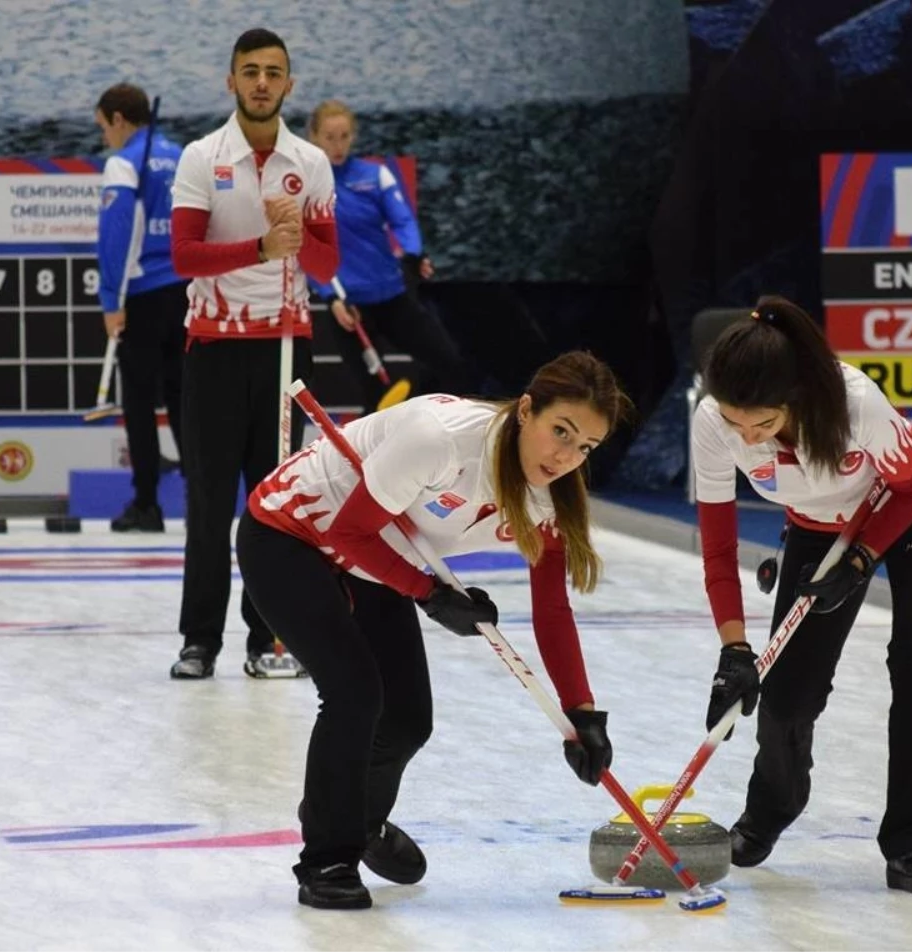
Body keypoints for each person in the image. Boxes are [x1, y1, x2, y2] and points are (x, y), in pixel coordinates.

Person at [236, 351, 633, 909]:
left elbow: (552, 612)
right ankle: (327, 857)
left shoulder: (550, 496)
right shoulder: (441, 441)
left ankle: (358, 821)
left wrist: (582, 714)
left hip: (376, 556)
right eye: (560, 432)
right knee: (353, 693)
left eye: (585, 446)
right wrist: (429, 595)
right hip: (290, 535)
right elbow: (351, 530)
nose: (566, 456)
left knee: (406, 721)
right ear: (526, 410)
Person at [692, 295, 912, 895]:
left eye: (762, 424)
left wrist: (866, 557)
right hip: (820, 527)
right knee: (787, 692)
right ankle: (769, 810)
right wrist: (733, 650)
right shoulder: (713, 422)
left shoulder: (853, 404)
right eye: (736, 423)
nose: (748, 437)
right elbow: (716, 546)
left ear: (795, 396)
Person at [168, 29, 338, 680]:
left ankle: (267, 638)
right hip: (213, 349)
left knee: (275, 510)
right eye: (250, 71)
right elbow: (184, 255)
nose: (262, 82)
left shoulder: (311, 162)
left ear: (289, 85)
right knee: (209, 505)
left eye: (273, 72)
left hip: (285, 359)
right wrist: (262, 248)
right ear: (231, 81)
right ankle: (198, 640)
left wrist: (297, 238)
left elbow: (328, 264)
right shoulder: (200, 156)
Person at [306, 100, 475, 415]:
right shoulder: (305, 187)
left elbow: (403, 221)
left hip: (393, 297)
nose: (338, 145)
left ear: (353, 136)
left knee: (450, 363)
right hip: (350, 308)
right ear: (314, 137)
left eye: (344, 136)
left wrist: (412, 253)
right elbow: (307, 247)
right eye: (330, 137)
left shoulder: (375, 176)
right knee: (374, 398)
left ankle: (433, 426)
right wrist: (331, 298)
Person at [94, 83, 188, 532]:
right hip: (189, 291)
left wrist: (111, 300)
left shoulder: (122, 163)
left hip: (142, 294)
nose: (104, 139)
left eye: (103, 128)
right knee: (184, 400)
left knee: (138, 403)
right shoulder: (185, 155)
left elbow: (114, 236)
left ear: (118, 119)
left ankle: (147, 504)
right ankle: (203, 500)